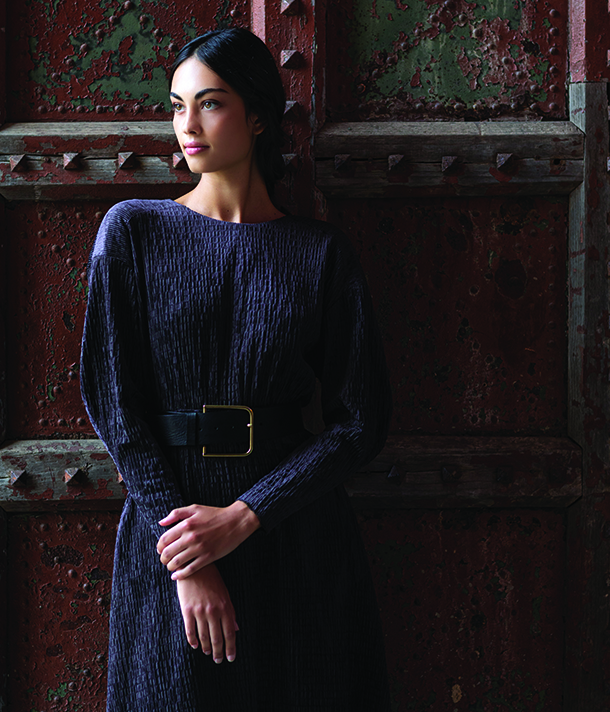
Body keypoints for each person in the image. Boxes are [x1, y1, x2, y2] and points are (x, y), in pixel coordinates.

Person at [80, 27, 392, 712]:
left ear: (257, 116)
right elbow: (113, 404)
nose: (187, 125)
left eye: (210, 104)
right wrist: (189, 556)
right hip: (171, 536)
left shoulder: (319, 253)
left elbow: (360, 422)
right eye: (177, 105)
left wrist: (246, 516)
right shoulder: (131, 229)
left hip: (292, 535)